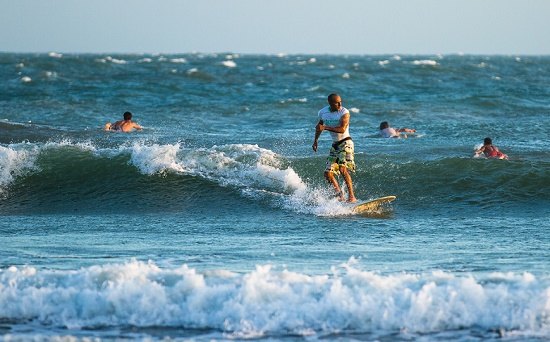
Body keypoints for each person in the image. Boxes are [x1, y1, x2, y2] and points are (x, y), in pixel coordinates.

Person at [312, 93, 356, 203]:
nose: (340, 104)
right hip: (335, 145)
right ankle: (340, 196)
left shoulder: (344, 112)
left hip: (346, 142)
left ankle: (352, 197)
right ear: (330, 103)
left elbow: (342, 129)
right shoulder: (323, 112)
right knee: (328, 174)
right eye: (337, 102)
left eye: (340, 102)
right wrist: (315, 141)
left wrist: (325, 127)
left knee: (342, 168)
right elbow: (319, 127)